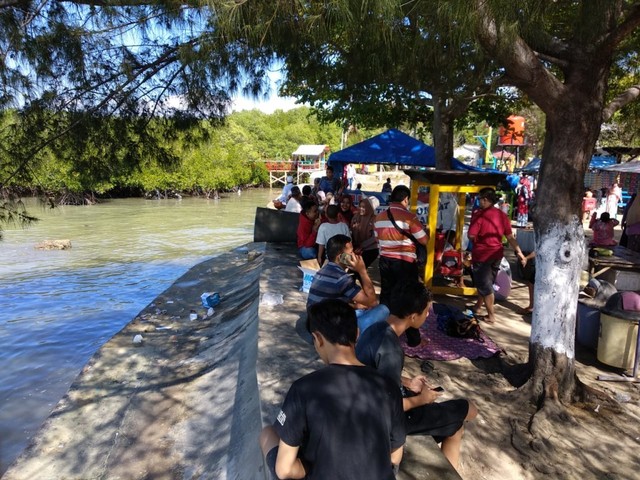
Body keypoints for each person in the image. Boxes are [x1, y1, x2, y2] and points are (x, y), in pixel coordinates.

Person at [259, 299, 406, 480]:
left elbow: (285, 470)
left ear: (318, 339)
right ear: (357, 334)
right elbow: (395, 456)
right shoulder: (388, 385)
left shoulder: (303, 389)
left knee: (268, 434)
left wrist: (308, 465)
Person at [356, 281, 478, 472]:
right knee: (467, 411)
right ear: (413, 317)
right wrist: (422, 399)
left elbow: (374, 372)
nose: (428, 315)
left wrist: (406, 382)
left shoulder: (375, 329)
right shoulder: (391, 349)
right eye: (426, 311)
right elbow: (388, 407)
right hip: (379, 422)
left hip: (364, 405)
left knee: (455, 422)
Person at [307, 234, 390, 334]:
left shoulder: (322, 271)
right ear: (340, 257)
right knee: (383, 310)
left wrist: (354, 306)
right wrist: (362, 271)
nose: (355, 255)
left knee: (359, 306)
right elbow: (372, 301)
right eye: (351, 252)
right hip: (332, 330)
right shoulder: (342, 278)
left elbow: (332, 301)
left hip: (315, 325)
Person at [468, 188, 526, 324]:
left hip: (482, 255)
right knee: (488, 282)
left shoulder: (480, 215)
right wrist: (519, 251)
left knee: (485, 285)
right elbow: (510, 237)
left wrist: (475, 241)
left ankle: (491, 316)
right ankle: (477, 306)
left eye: (480, 199)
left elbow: (471, 235)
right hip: (497, 254)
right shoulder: (502, 215)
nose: (478, 201)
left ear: (485, 200)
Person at [350, 196, 380, 268]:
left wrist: (362, 245)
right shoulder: (356, 217)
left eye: (364, 207)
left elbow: (375, 237)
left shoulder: (375, 219)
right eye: (360, 206)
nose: (361, 209)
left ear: (369, 208)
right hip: (356, 248)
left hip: (370, 249)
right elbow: (351, 231)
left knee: (359, 269)